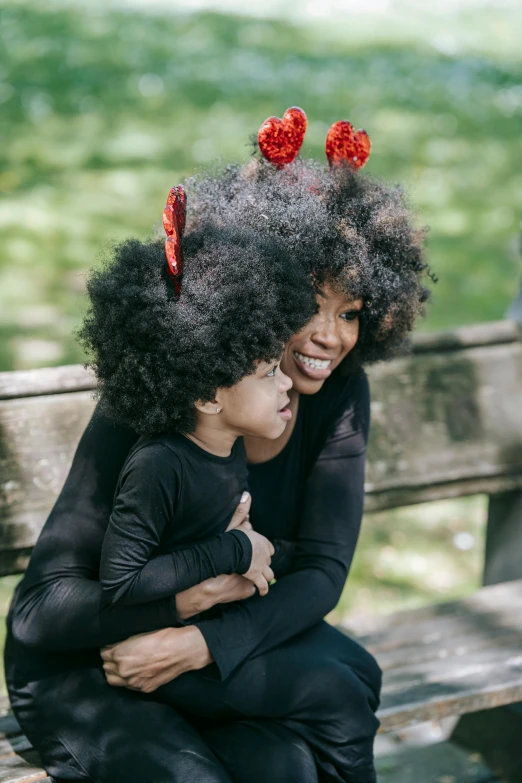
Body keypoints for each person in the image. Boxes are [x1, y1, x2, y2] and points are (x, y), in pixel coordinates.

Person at [5, 114, 434, 783]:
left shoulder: (339, 395)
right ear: (256, 294)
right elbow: (39, 612)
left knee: (298, 750)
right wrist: (184, 608)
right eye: (309, 306)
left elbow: (322, 568)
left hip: (204, 655)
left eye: (350, 313)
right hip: (88, 663)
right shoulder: (170, 394)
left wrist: (200, 642)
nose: (328, 337)